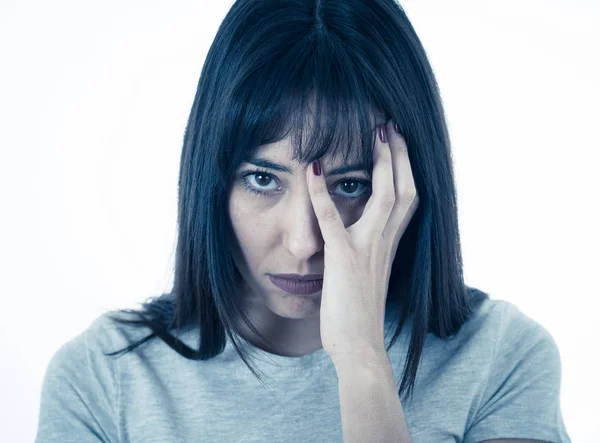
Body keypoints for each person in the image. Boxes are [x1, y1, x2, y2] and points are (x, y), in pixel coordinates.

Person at [35, 0, 571, 442]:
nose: (303, 242)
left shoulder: (499, 359)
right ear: (212, 179)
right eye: (263, 179)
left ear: (407, 186)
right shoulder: (105, 379)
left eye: (350, 185)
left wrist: (362, 361)